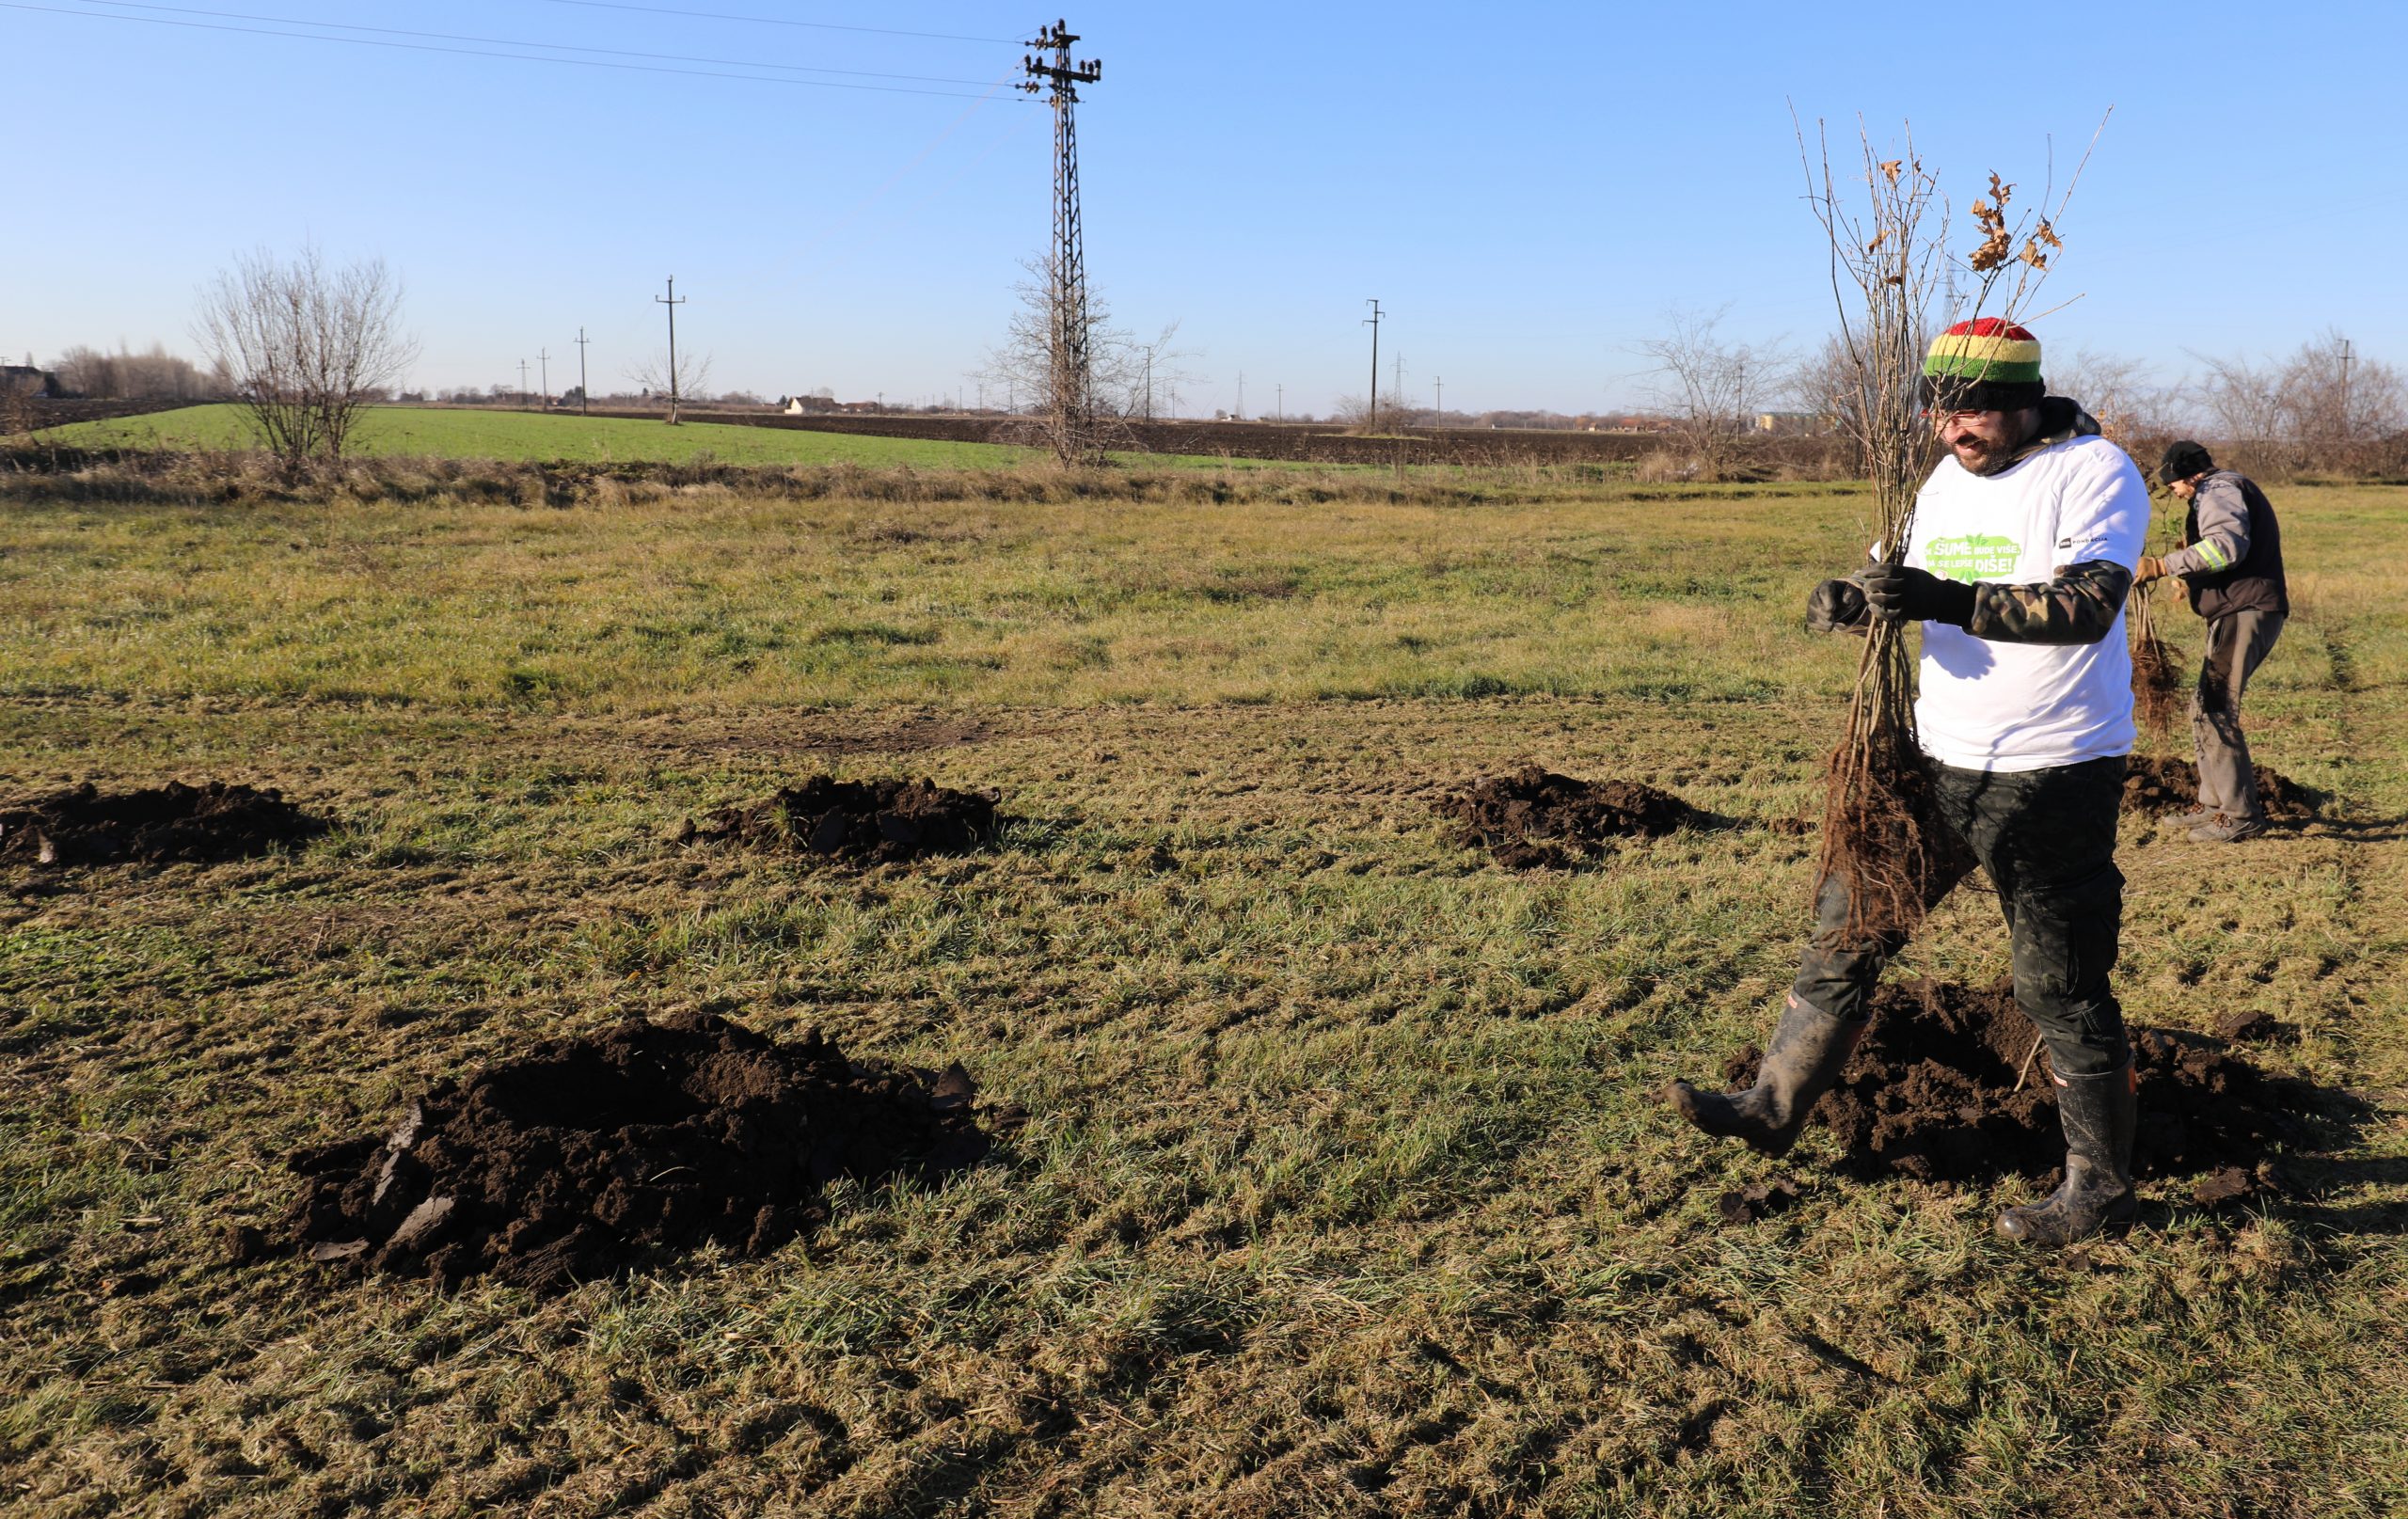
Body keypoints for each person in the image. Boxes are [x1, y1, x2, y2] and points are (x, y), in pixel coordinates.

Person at [1665, 318, 2151, 1247]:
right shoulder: (1939, 478)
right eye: (1940, 409)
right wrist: (1856, 596)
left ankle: (2100, 1188)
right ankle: (1772, 1105)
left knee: (2057, 983)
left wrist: (1943, 602)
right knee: (1848, 927)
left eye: (1972, 411)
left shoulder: (2092, 471)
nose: (1951, 428)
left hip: (2052, 768)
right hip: (1935, 760)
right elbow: (1903, 571)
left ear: (2023, 401)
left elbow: (2087, 606)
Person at [2136, 441, 2289, 843]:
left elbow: (2226, 547)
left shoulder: (2217, 489)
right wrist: (2191, 576)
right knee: (2202, 709)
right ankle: (2214, 805)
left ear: (2187, 474)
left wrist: (2161, 565)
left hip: (2245, 610)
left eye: (2173, 486)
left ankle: (2241, 816)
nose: (2174, 493)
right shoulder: (2217, 489)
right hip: (2234, 610)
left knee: (2216, 711)